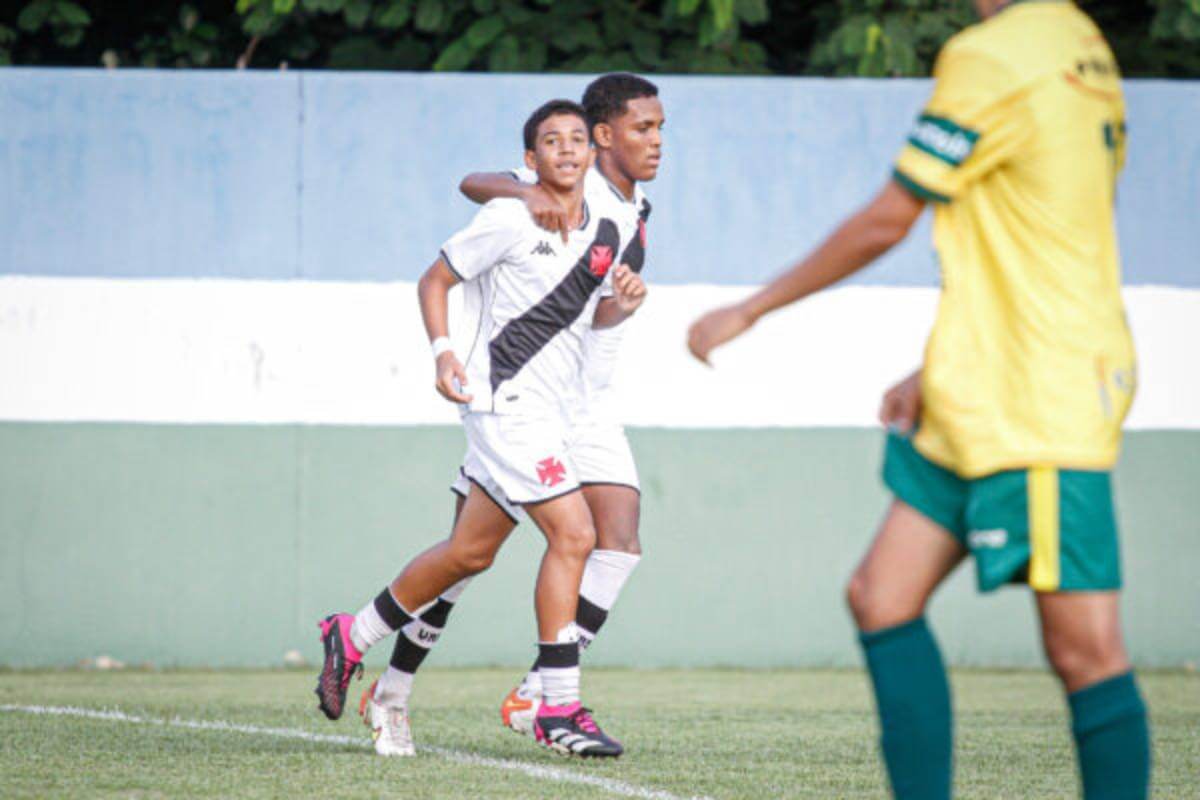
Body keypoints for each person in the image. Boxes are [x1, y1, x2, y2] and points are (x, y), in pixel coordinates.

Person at [687, 2, 1149, 798]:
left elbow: (886, 220)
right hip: (984, 384)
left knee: (1085, 652)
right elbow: (1030, 230)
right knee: (881, 596)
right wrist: (937, 365)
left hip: (1038, 397)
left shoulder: (992, 55)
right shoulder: (1080, 42)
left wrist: (750, 308)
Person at [316, 98, 647, 759]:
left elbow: (588, 322)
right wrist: (442, 350)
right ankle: (557, 707)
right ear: (531, 159)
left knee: (468, 554)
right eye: (551, 142)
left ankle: (349, 636)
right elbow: (434, 279)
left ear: (591, 153)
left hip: (550, 413)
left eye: (576, 140)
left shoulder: (608, 225)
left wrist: (621, 307)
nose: (566, 149)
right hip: (504, 405)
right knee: (575, 532)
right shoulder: (508, 215)